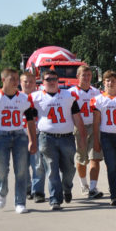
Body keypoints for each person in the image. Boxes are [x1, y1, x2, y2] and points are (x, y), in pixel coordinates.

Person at [32, 68, 87, 211]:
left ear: (58, 81)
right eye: (48, 79)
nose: (51, 82)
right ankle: (55, 199)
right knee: (52, 169)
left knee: (69, 169)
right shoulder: (36, 97)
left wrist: (82, 138)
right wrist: (31, 138)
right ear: (42, 82)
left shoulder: (69, 96)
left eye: (54, 79)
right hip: (46, 138)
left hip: (66, 138)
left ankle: (66, 188)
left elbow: (77, 118)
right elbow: (30, 120)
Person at [0, 67, 38, 214]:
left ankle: (20, 202)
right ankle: (2, 191)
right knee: (1, 170)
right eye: (13, 79)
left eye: (17, 79)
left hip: (19, 136)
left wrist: (32, 140)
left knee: (21, 170)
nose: (16, 82)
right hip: (2, 135)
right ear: (3, 80)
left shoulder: (24, 98)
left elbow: (30, 121)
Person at [90, 71, 116, 206]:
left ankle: (114, 185)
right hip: (106, 136)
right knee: (111, 166)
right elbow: (96, 122)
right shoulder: (98, 100)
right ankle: (114, 195)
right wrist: (96, 140)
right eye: (108, 80)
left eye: (113, 80)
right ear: (104, 82)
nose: (110, 83)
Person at [69, 64, 103, 199]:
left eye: (89, 75)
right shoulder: (72, 92)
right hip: (78, 127)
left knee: (95, 156)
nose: (87, 78)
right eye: (84, 75)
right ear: (78, 76)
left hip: (94, 126)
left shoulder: (96, 92)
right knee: (82, 158)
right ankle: (84, 184)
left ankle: (93, 187)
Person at [21, 71, 46, 203]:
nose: (28, 84)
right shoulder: (16, 98)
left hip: (36, 135)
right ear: (21, 83)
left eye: (31, 82)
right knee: (22, 166)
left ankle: (38, 192)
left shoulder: (39, 98)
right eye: (25, 81)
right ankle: (27, 188)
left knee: (38, 165)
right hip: (20, 136)